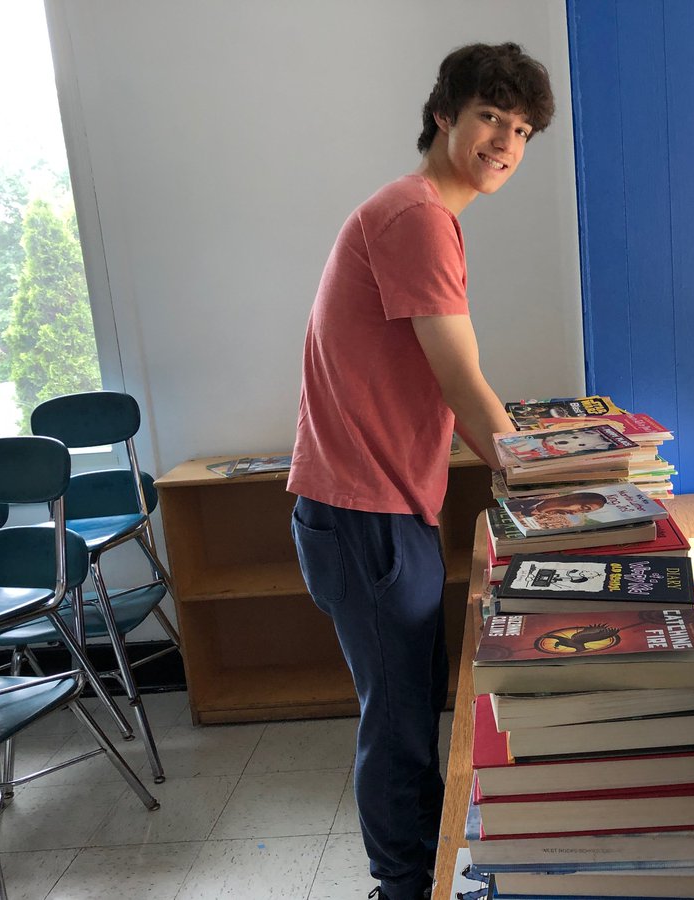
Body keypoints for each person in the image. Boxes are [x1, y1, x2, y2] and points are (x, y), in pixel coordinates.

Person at [286, 42, 555, 900]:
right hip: (365, 512)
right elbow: (462, 382)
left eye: (521, 129)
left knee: (412, 704)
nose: (505, 142)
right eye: (489, 117)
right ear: (444, 114)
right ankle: (403, 891)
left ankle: (414, 879)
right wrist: (549, 487)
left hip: (377, 505)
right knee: (401, 722)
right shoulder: (415, 217)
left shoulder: (421, 215)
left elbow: (455, 383)